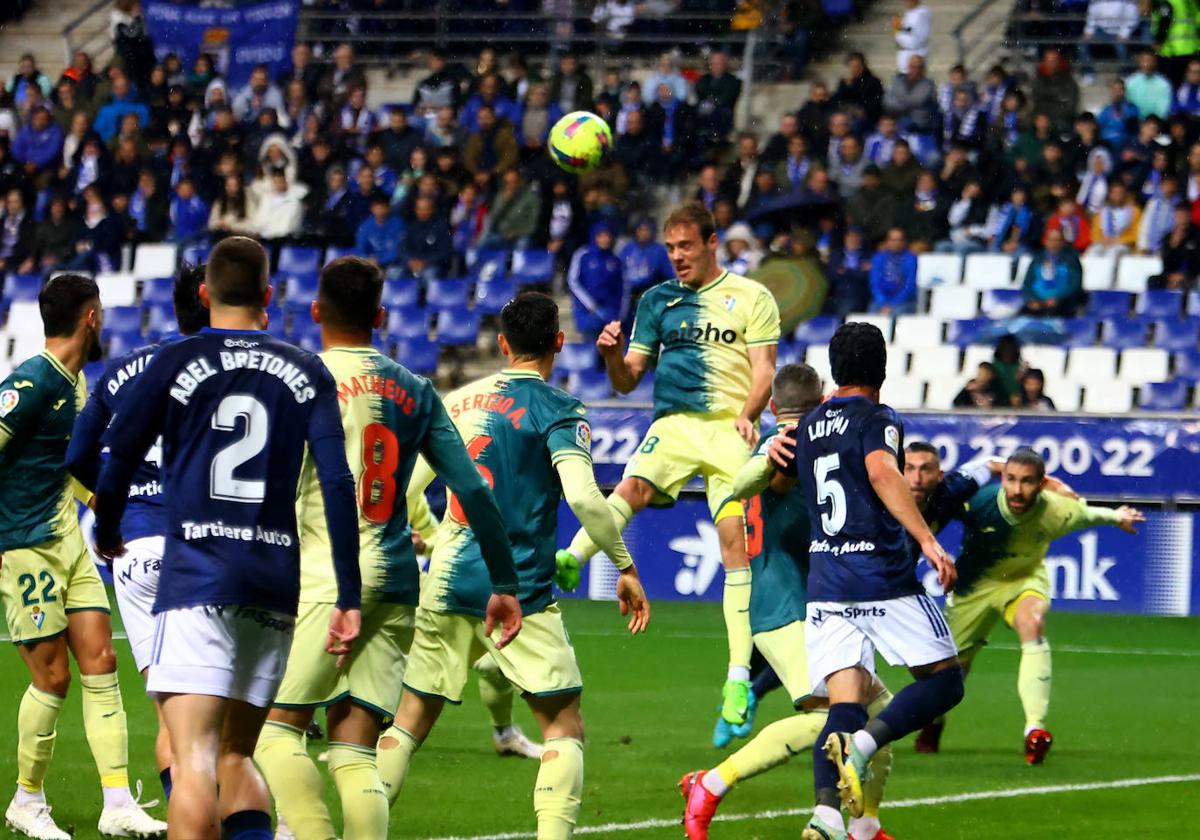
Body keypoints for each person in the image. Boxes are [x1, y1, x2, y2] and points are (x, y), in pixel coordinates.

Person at [91, 237, 364, 840]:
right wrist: (348, 593)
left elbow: (116, 460)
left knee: (194, 764)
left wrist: (110, 529)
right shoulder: (306, 369)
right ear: (268, 296)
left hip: (197, 577)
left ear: (205, 293)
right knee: (237, 755)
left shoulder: (173, 361)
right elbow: (339, 482)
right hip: (273, 580)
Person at [253, 257, 520, 840]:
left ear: (316, 311)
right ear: (379, 316)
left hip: (326, 579)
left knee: (275, 732)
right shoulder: (415, 389)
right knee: (355, 753)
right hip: (399, 582)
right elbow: (471, 487)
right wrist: (504, 582)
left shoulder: (297, 381)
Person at [377, 292, 650, 840]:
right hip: (519, 589)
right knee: (562, 724)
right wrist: (624, 564)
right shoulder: (559, 408)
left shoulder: (457, 402)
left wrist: (433, 540)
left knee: (407, 723)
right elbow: (585, 498)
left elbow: (406, 491)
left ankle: (364, 826)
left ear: (502, 344)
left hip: (449, 579)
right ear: (558, 342)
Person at [557, 203, 780, 734]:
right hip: (676, 424)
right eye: (670, 249)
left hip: (730, 428)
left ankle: (736, 678)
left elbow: (765, 369)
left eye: (686, 247)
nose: (677, 257)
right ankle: (571, 559)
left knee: (733, 546)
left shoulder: (752, 297)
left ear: (711, 242)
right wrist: (610, 354)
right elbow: (628, 379)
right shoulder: (657, 301)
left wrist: (750, 416)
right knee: (630, 486)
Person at [679, 364, 896, 840]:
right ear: (821, 402)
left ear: (773, 406)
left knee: (882, 719)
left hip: (816, 606)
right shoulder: (788, 447)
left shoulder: (798, 443)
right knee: (833, 718)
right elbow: (773, 479)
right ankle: (710, 784)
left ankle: (865, 826)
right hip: (787, 608)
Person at [766, 322, 963, 840]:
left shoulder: (807, 425)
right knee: (945, 681)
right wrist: (926, 539)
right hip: (880, 578)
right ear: (881, 369)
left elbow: (781, 482)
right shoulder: (879, 418)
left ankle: (826, 815)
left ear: (835, 369)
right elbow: (880, 471)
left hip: (826, 585)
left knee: (845, 705)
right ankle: (866, 746)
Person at [0, 273, 166, 840]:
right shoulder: (31, 383)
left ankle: (117, 801)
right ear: (91, 316)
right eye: (102, 315)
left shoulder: (76, 382)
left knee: (101, 661)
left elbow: (63, 462)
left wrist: (101, 502)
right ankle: (26, 802)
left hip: (70, 543)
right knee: (52, 676)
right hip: (25, 548)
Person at [64, 263, 210, 806]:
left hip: (136, 546)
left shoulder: (122, 370)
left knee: (169, 707)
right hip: (207, 544)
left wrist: (110, 500)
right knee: (221, 703)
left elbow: (77, 454)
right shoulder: (225, 367)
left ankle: (184, 815)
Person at [922, 449, 1143, 763]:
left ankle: (1034, 730)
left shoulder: (1056, 509)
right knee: (952, 669)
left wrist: (1118, 517)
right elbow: (935, 509)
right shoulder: (980, 501)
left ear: (1041, 484)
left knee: (1033, 624)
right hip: (975, 588)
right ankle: (934, 722)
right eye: (1011, 479)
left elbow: (1088, 514)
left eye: (1027, 482)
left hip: (1024, 581)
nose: (1017, 489)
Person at [567, 221, 623, 339]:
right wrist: (592, 306)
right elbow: (573, 282)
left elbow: (620, 288)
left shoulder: (615, 260)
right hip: (587, 312)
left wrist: (616, 311)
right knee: (590, 344)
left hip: (609, 313)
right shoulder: (582, 255)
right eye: (600, 236)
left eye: (607, 236)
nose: (605, 239)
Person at [1021, 228, 1083, 316]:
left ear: (1063, 242)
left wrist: (1058, 299)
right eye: (1051, 240)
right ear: (1046, 241)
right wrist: (1034, 299)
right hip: (1037, 303)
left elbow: (1075, 285)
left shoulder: (1071, 260)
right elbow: (1027, 283)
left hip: (1062, 305)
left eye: (1057, 240)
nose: (1054, 243)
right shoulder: (1037, 259)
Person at [868, 227, 917, 314]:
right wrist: (883, 302)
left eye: (899, 240)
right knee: (871, 313)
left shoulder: (911, 259)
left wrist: (893, 304)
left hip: (904, 301)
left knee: (896, 313)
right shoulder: (878, 258)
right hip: (881, 301)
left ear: (904, 241)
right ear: (887, 241)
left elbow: (910, 285)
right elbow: (874, 282)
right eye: (893, 240)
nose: (897, 243)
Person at [355, 195, 405, 267]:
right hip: (369, 263)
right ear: (372, 209)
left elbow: (398, 249)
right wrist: (368, 259)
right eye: (377, 208)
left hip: (392, 264)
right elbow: (359, 249)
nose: (380, 212)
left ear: (388, 208)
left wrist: (379, 260)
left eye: (383, 208)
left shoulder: (398, 223)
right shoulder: (365, 225)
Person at [1125, 50, 1173, 119]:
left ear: (1155, 63)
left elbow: (1163, 109)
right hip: (1135, 121)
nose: (1147, 64)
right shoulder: (1130, 82)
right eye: (1144, 61)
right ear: (1139, 62)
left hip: (1156, 122)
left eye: (1150, 61)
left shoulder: (1164, 84)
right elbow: (1127, 104)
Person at [892, 0, 932, 74]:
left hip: (914, 57)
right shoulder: (910, 13)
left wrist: (897, 30)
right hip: (906, 58)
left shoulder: (922, 14)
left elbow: (915, 41)